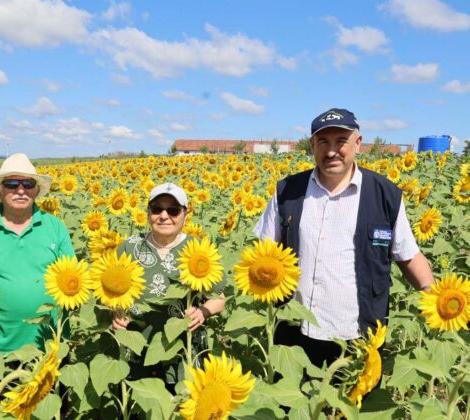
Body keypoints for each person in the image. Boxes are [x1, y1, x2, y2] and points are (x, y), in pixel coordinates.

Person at [254, 108, 434, 367]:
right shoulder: (287, 192)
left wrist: (436, 297)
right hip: (294, 330)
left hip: (358, 333)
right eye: (323, 142)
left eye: (341, 141)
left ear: (358, 144)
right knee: (292, 404)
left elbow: (408, 255)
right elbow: (264, 251)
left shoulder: (384, 195)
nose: (331, 151)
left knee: (352, 404)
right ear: (312, 145)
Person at [112, 182, 226, 385]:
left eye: (173, 210)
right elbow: (111, 291)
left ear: (185, 213)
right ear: (148, 212)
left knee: (183, 399)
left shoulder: (200, 249)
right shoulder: (129, 247)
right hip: (137, 343)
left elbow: (219, 299)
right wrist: (115, 313)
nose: (164, 216)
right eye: (157, 209)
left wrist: (203, 312)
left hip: (185, 346)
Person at [0, 153, 74, 354]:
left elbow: (75, 277)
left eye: (28, 184)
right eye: (12, 183)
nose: (20, 190)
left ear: (37, 190)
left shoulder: (55, 227)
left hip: (50, 347)